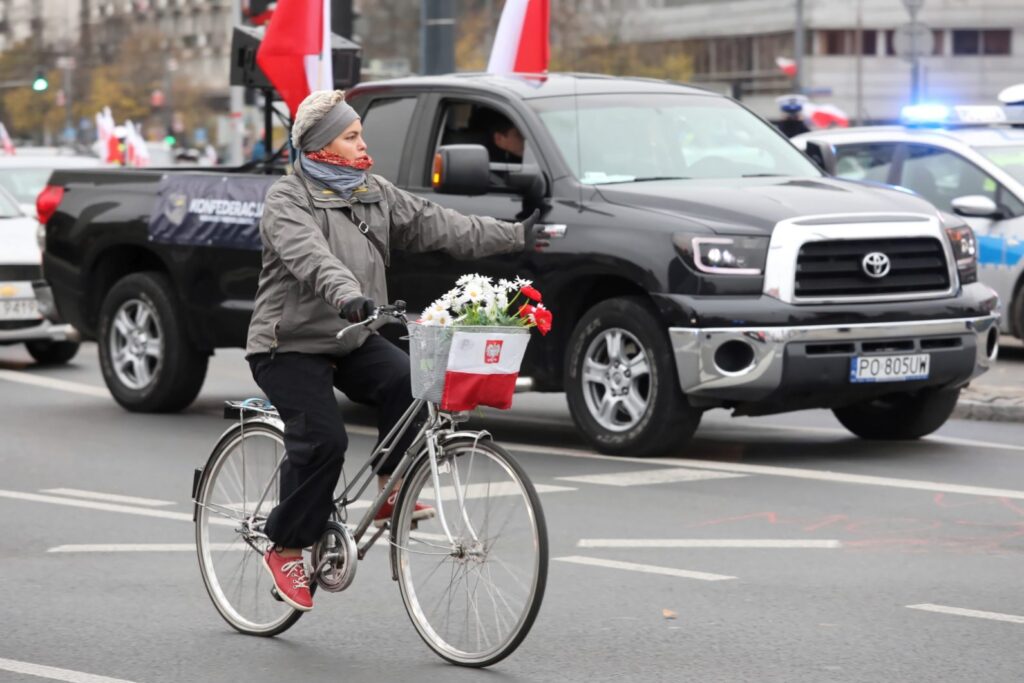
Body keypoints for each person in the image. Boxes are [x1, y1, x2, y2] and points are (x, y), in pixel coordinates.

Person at [245, 90, 541, 612]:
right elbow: (312, 258)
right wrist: (349, 297)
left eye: (361, 134)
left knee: (411, 380)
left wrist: (517, 236)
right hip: (287, 345)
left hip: (351, 337)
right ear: (321, 145)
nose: (364, 145)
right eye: (351, 136)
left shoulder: (373, 192)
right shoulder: (288, 199)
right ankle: (286, 546)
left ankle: (390, 487)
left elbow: (442, 225)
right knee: (323, 441)